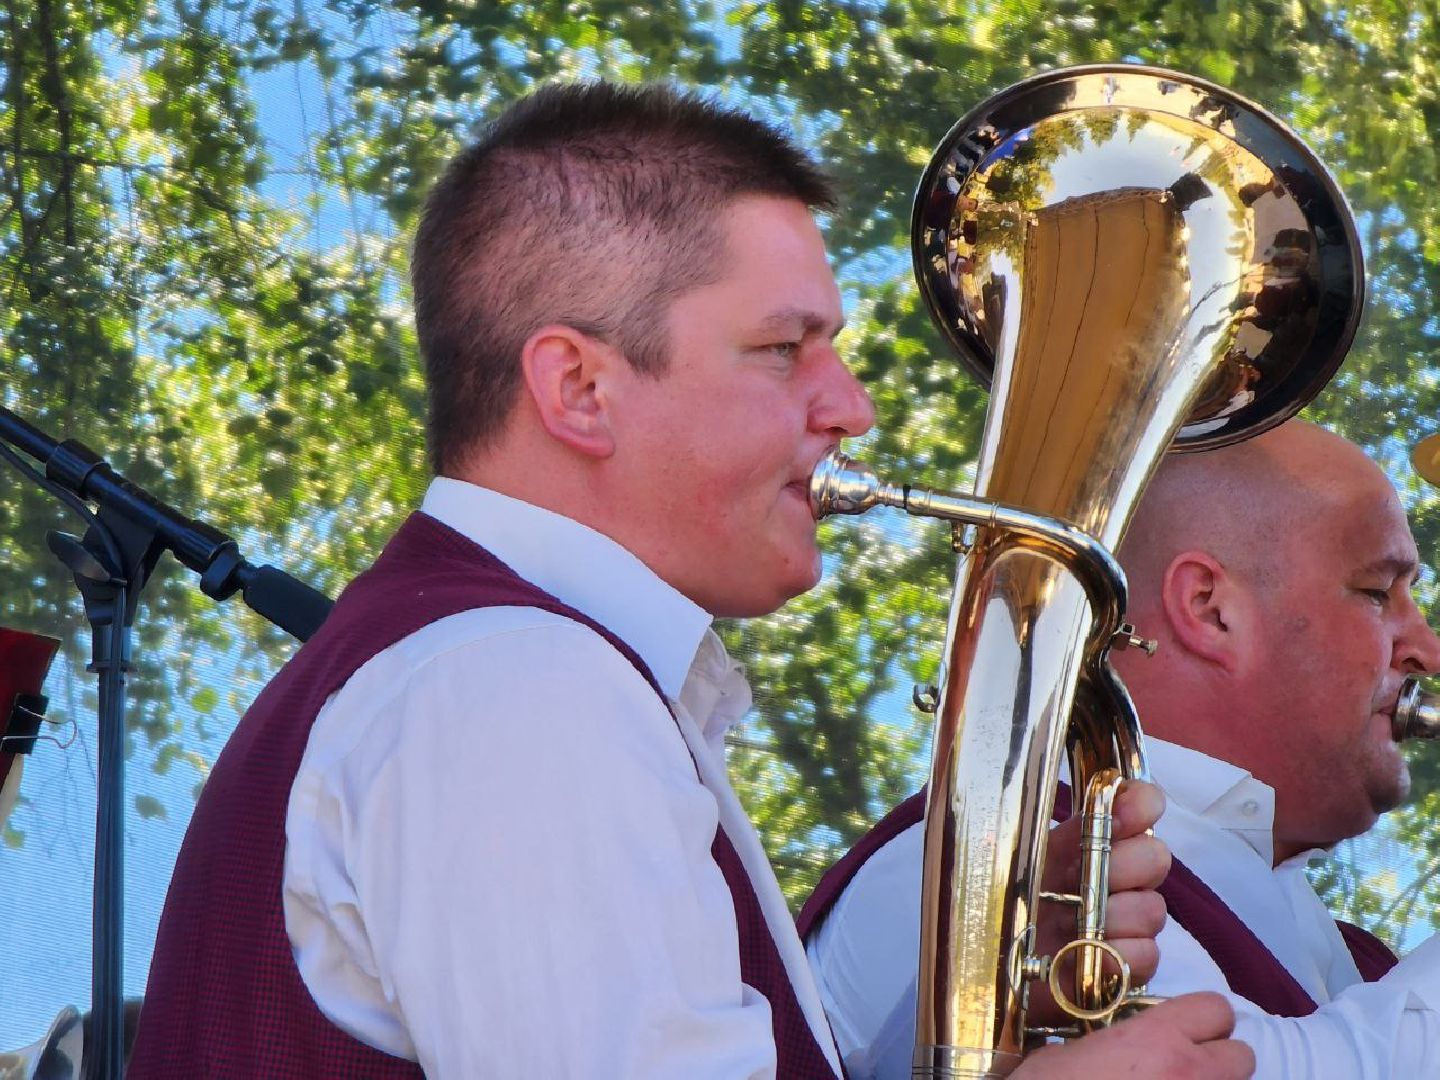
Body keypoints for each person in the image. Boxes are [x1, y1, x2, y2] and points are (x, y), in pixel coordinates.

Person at [127, 81, 1249, 1078]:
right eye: (782, 348)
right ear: (577, 389)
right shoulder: (518, 691)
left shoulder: (509, 674)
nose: (848, 406)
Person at [803, 418, 1440, 1078]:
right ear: (1210, 607)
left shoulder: (1361, 961)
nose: (1428, 649)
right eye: (1376, 592)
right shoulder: (979, 858)